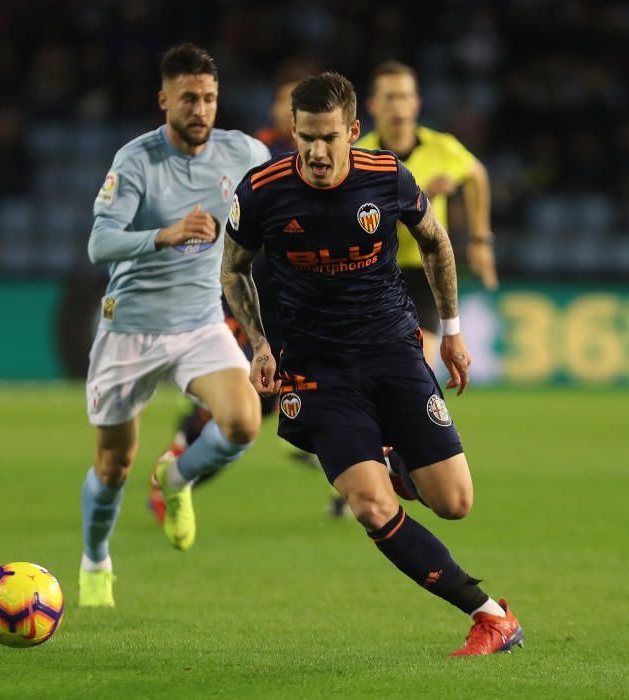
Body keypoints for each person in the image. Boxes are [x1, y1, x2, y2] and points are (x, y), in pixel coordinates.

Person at [220, 72, 522, 656]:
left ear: (354, 132)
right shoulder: (262, 190)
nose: (315, 151)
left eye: (329, 137)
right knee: (369, 504)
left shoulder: (387, 177)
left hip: (390, 350)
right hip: (314, 369)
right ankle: (490, 616)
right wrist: (259, 342)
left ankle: (395, 457)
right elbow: (232, 269)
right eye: (304, 137)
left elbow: (435, 241)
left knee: (455, 503)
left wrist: (453, 333)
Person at [79, 43, 270, 608]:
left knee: (242, 421)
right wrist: (163, 234)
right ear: (164, 100)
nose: (201, 109)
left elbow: (281, 206)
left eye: (210, 98)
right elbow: (99, 243)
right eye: (189, 97)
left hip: (200, 323)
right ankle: (95, 560)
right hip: (130, 328)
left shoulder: (245, 153)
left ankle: (179, 478)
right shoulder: (136, 161)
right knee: (113, 467)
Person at [146, 78, 301, 525]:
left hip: (289, 306)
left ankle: (182, 458)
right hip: (239, 294)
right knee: (243, 405)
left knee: (266, 404)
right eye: (283, 102)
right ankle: (180, 459)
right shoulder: (250, 155)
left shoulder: (323, 162)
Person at [356, 60, 498, 368]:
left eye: (405, 96)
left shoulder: (442, 148)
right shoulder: (359, 157)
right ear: (372, 105)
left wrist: (480, 240)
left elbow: (477, 176)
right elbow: (358, 221)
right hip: (374, 272)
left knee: (418, 366)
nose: (399, 105)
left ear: (417, 102)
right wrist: (420, 197)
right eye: (390, 97)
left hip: (425, 271)